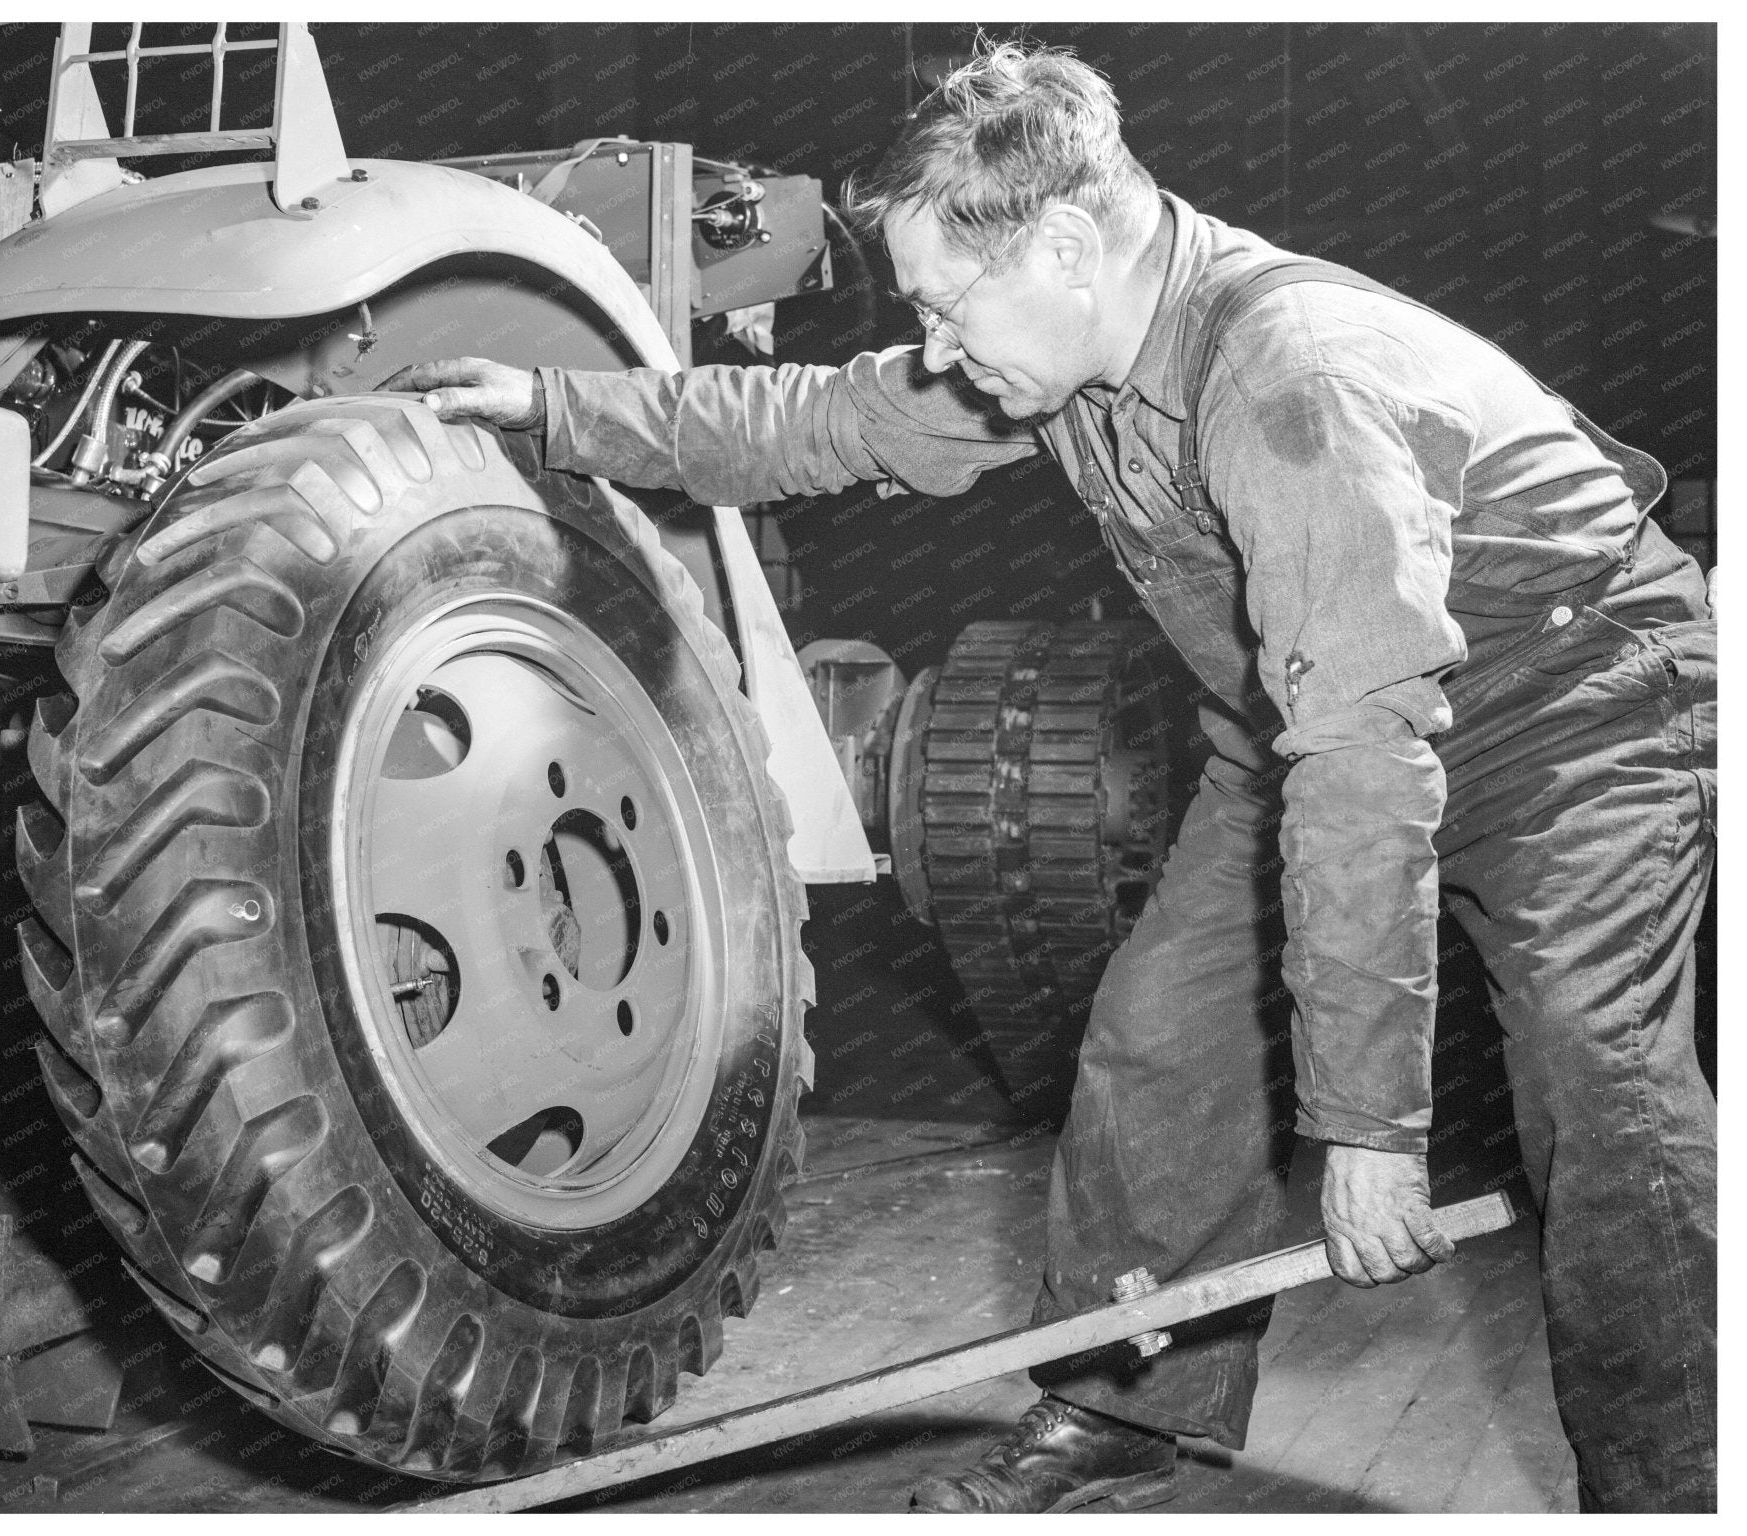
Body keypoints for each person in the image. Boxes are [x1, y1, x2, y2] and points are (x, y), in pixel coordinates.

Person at [384, 41, 1715, 1514]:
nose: (943, 348)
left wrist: (1369, 1134)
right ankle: (1136, 1423)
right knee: (1160, 1050)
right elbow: (831, 418)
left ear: (1069, 245)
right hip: (1306, 727)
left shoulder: (1293, 380)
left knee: (1602, 1084)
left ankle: (1672, 1485)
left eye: (951, 307)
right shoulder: (1062, 356)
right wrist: (560, 412)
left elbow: (1365, 762)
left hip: (1579, 714)